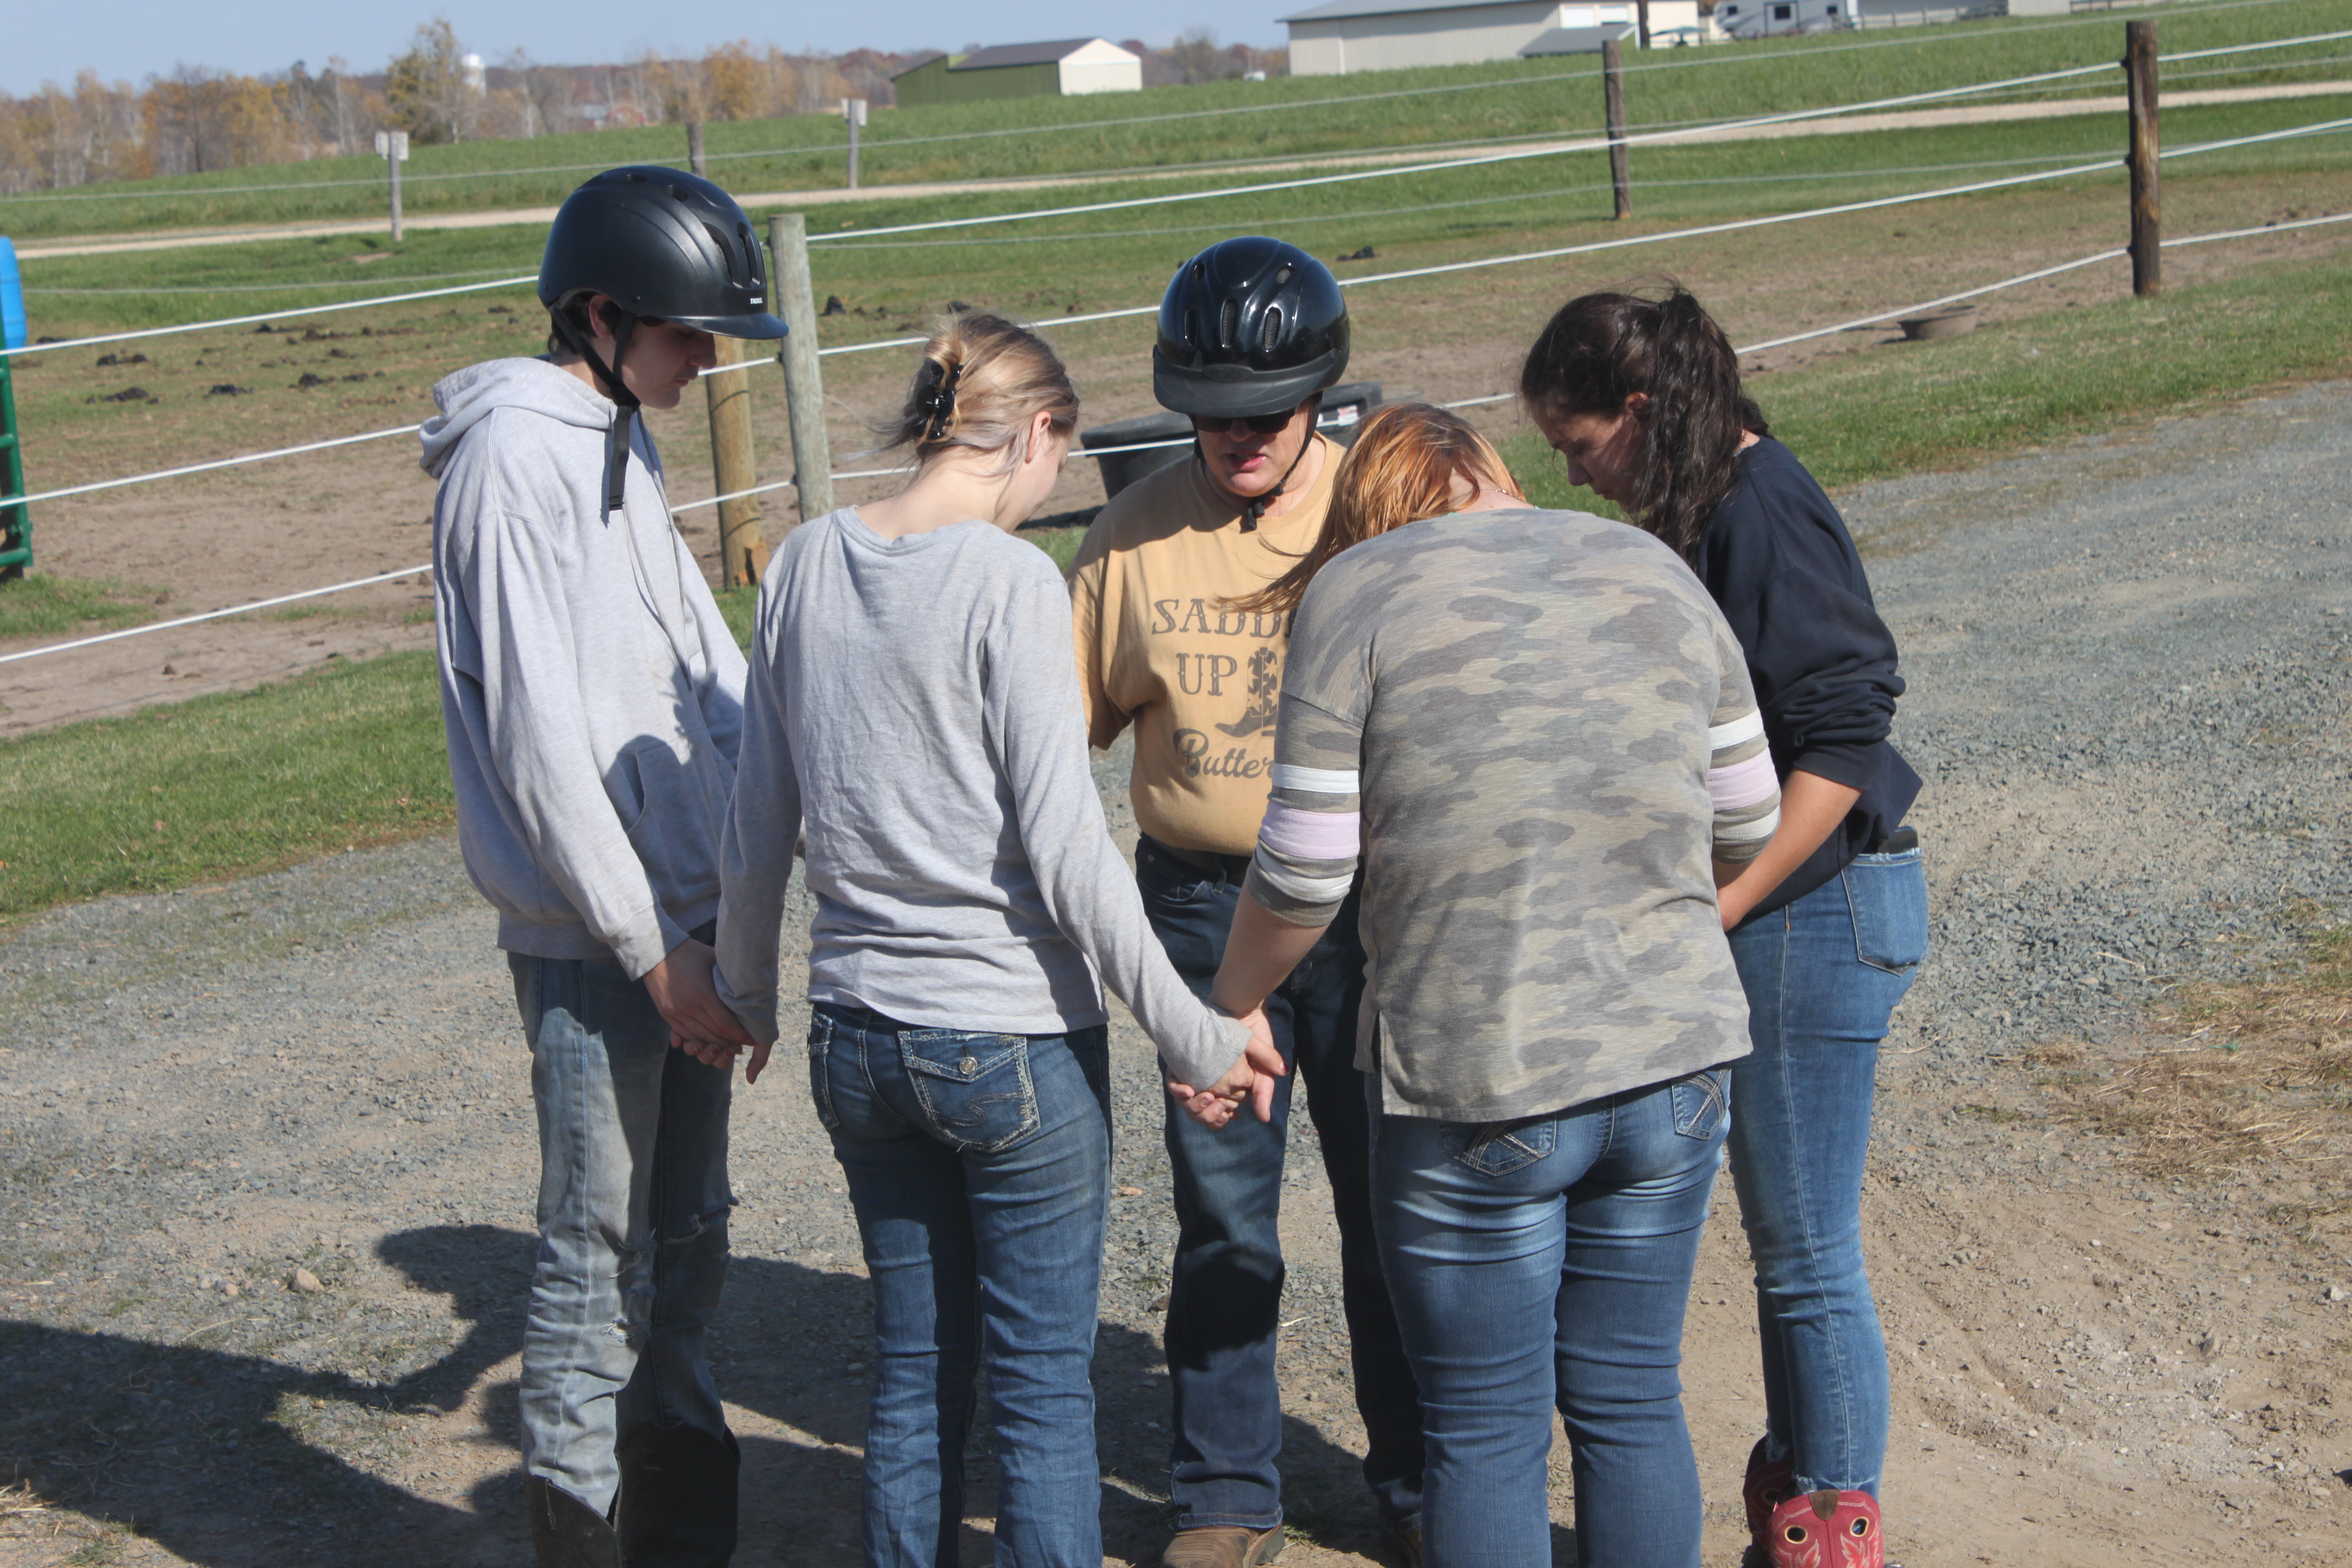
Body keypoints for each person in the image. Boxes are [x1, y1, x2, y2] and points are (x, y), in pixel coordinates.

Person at [706, 313, 1274, 1568]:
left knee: (912, 1372)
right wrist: (1199, 1032)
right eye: (1054, 470)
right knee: (1040, 1390)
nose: (1045, 497)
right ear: (1033, 434)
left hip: (855, 1036)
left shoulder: (802, 562)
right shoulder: (1011, 583)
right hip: (1009, 1040)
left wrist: (743, 992)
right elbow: (1070, 852)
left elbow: (757, 813)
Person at [1205, 398, 1783, 1567]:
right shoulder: (1653, 566)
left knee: (1483, 1430)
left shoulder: (1356, 593)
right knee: (1631, 1400)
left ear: (1368, 513)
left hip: (1477, 1076)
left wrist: (1226, 1006)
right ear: (1494, 471)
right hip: (1674, 1063)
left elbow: (1308, 869)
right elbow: (1753, 814)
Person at [1519, 286, 1928, 1568]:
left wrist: (1731, 898)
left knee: (1806, 1253)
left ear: (1639, 414)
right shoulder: (1711, 512)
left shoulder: (1761, 510)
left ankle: (1832, 1523)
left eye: (1583, 450)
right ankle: (1802, 1489)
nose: (1581, 481)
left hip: (1815, 914)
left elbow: (1849, 733)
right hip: (1790, 917)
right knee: (1786, 1248)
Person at [420, 165, 781, 1568]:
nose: (706, 357)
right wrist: (651, 954)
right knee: (594, 1252)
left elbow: (709, 666)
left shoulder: (619, 435)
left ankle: (679, 1530)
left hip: (685, 926)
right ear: (598, 314)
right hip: (597, 942)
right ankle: (585, 1536)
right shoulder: (518, 460)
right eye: (687, 331)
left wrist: (747, 904)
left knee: (689, 1238)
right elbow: (538, 742)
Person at [1067, 236, 1426, 1568]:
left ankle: (1418, 1479)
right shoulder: (1135, 536)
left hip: (1371, 907)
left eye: (1262, 413)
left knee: (1396, 1205)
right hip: (1206, 912)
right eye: (1209, 413)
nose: (1235, 436)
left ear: (1319, 396)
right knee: (1225, 1218)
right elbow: (1062, 741)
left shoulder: (1382, 516)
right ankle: (1224, 1493)